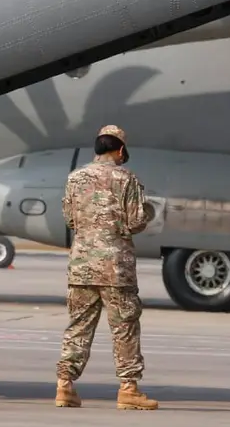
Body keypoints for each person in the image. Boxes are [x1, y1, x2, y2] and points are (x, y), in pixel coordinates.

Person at [54, 125, 158, 411]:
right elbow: (136, 221)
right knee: (124, 328)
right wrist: (149, 211)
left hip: (82, 266)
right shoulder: (127, 179)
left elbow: (70, 219)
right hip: (116, 268)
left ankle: (65, 386)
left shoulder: (75, 178)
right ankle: (128, 389)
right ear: (120, 150)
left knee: (78, 326)